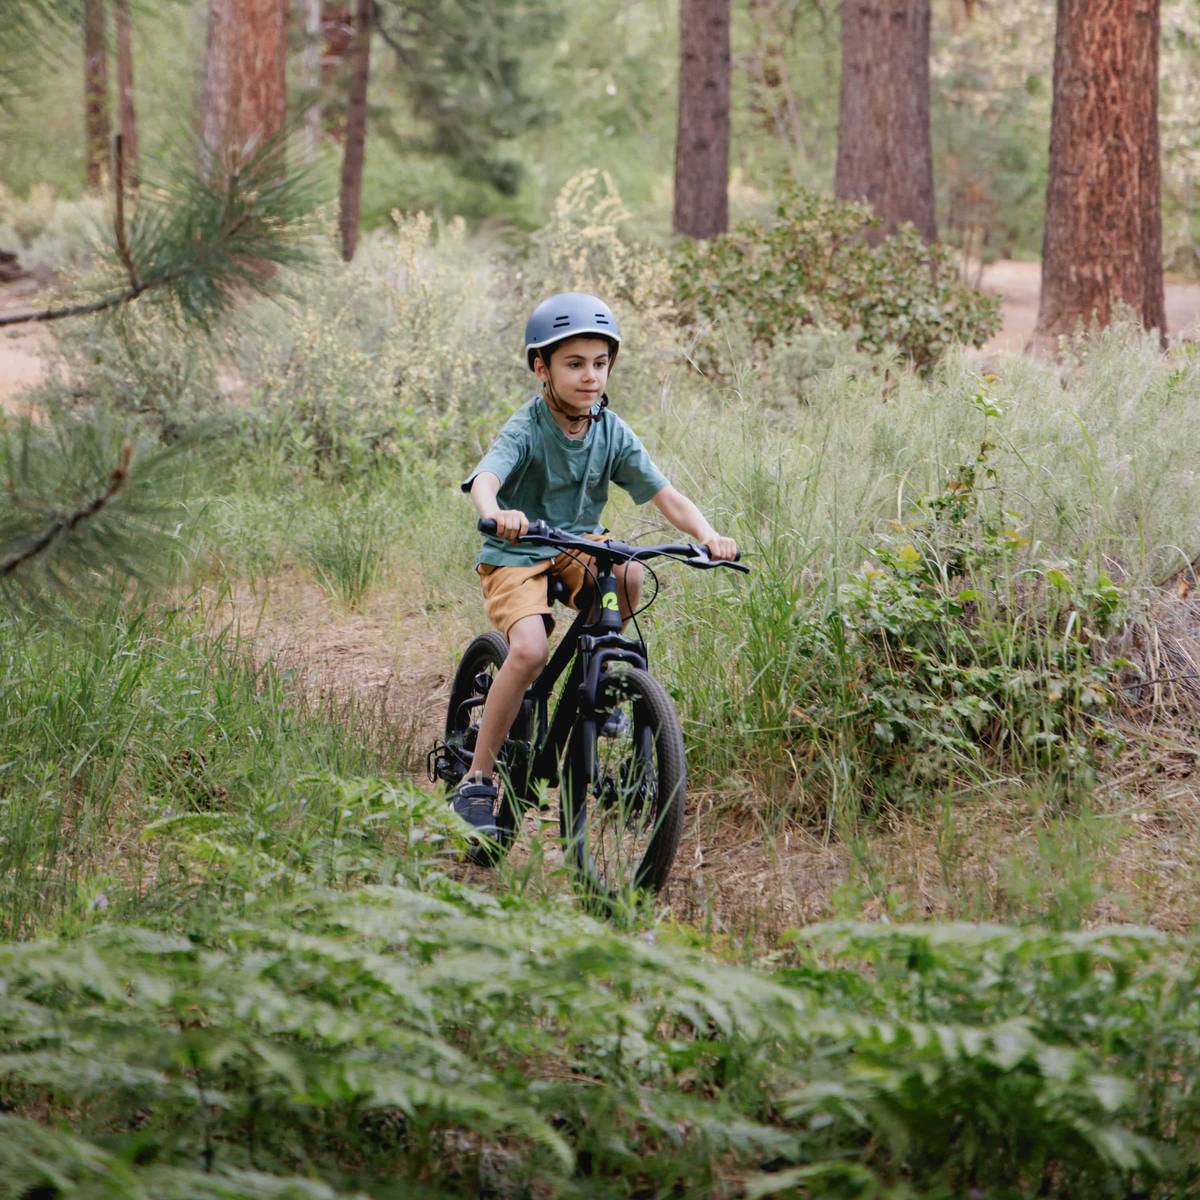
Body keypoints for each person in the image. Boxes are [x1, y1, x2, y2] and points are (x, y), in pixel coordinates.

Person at [451, 291, 738, 837]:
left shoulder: (611, 431)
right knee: (530, 649)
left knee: (630, 572)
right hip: (518, 549)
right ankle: (478, 780)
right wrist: (496, 512)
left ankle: (594, 676)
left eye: (600, 364)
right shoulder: (527, 427)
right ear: (542, 366)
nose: (590, 377)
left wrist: (707, 534)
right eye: (574, 364)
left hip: (577, 543)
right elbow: (487, 477)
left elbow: (665, 494)